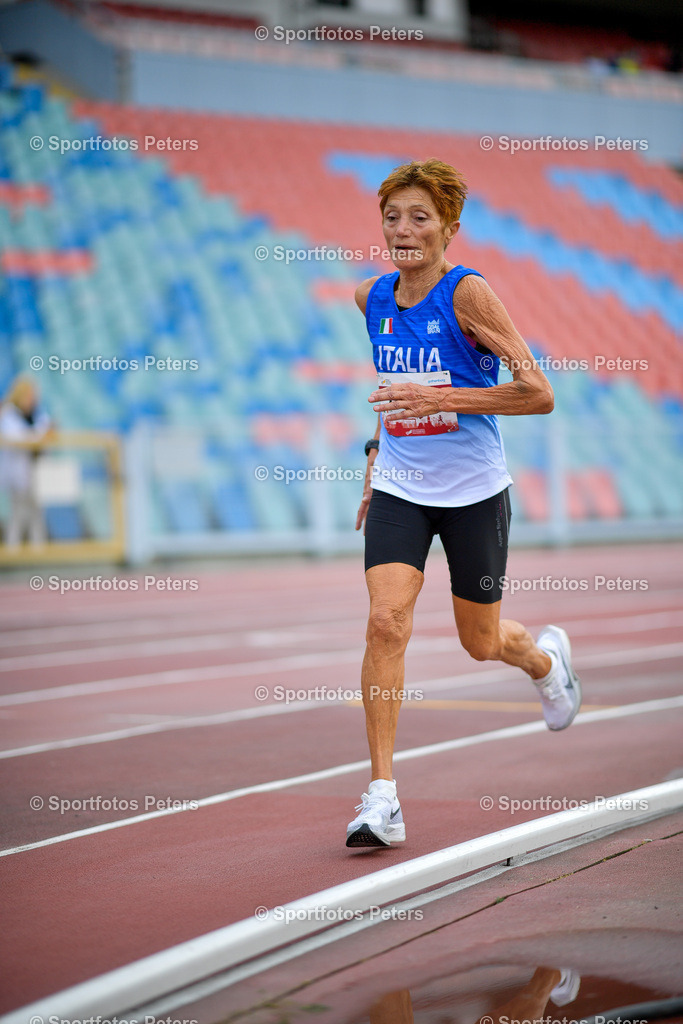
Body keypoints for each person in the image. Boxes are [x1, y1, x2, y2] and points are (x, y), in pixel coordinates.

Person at [346, 159, 581, 849]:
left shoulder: (467, 294)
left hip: (473, 492)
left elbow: (538, 393)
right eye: (392, 217)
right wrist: (375, 453)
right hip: (400, 488)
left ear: (449, 228)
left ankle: (543, 661)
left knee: (480, 642)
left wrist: (441, 397)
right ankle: (381, 798)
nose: (402, 229)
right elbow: (393, 385)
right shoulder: (370, 297)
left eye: (419, 218)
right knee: (385, 622)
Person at [0, 375, 53, 547]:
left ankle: (39, 551)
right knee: (18, 513)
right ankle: (12, 551)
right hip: (17, 473)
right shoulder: (9, 415)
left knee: (37, 513)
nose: (32, 399)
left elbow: (44, 432)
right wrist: (38, 435)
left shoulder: (37, 414)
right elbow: (19, 437)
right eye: (29, 395)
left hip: (35, 470)